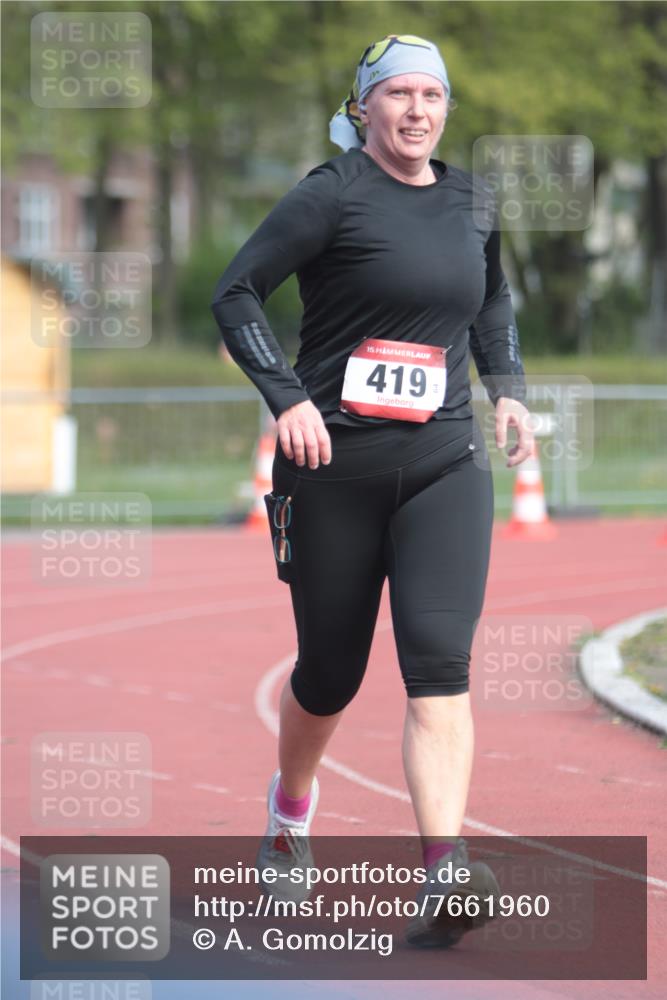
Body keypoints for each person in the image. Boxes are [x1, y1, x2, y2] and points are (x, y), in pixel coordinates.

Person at [211, 33, 533, 948]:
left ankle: (444, 873)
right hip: (331, 471)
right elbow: (237, 294)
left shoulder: (473, 201)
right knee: (329, 674)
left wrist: (505, 389)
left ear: (445, 110)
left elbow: (494, 299)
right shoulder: (330, 194)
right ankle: (289, 812)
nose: (417, 111)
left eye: (432, 96)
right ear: (364, 109)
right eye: (397, 95)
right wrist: (285, 402)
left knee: (438, 667)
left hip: (442, 463)